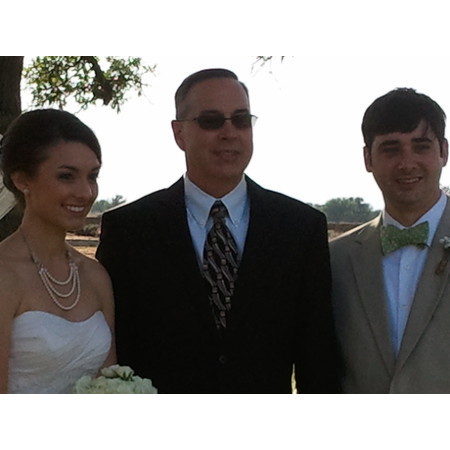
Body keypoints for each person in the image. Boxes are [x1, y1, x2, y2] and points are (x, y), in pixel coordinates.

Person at [96, 68, 340, 393]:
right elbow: (115, 351)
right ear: (179, 134)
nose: (229, 132)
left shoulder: (301, 227)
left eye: (241, 120)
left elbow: (317, 357)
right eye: (211, 121)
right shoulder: (129, 230)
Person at [330, 88, 450, 393]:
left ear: (444, 152)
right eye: (391, 149)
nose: (407, 163)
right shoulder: (335, 260)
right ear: (367, 158)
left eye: (421, 146)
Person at [0, 109, 116, 393]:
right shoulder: (4, 273)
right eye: (67, 176)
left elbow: (112, 380)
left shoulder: (95, 276)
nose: (86, 192)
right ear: (22, 180)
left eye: (92, 176)